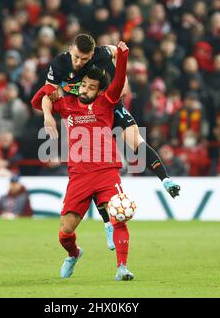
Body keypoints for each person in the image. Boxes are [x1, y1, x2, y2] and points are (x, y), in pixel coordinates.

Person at [37, 33, 180, 251]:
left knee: (135, 140)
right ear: (71, 49)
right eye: (76, 57)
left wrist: (124, 80)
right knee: (93, 162)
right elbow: (47, 93)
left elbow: (115, 50)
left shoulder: (102, 53)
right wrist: (48, 116)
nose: (78, 63)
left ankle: (165, 179)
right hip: (85, 105)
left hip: (109, 102)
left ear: (92, 54)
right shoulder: (59, 63)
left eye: (84, 59)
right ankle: (107, 224)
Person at [32, 41, 135, 280]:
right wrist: (49, 110)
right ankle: (74, 254)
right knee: (65, 233)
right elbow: (39, 100)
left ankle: (122, 267)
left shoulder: (105, 102)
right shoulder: (66, 103)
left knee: (118, 214)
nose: (85, 90)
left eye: (91, 87)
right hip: (78, 175)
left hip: (107, 170)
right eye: (83, 85)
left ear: (99, 90)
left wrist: (123, 56)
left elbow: (119, 84)